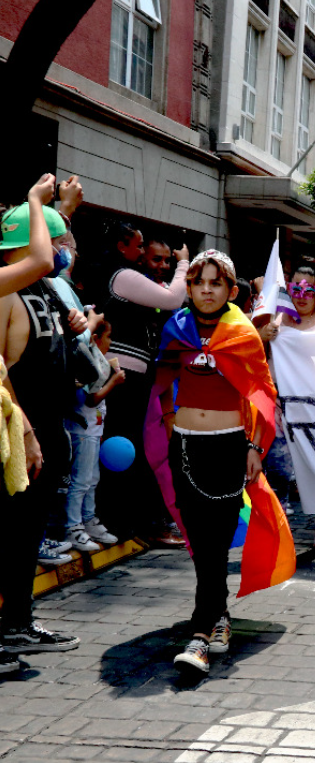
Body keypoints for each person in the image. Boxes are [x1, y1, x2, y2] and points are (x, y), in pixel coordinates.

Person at [150, 251, 277, 674]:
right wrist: (170, 421)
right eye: (199, 282)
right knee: (201, 541)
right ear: (188, 288)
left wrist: (255, 448)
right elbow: (163, 378)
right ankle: (218, 616)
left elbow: (264, 392)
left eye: (216, 283)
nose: (207, 289)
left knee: (216, 541)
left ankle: (201, 635)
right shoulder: (176, 328)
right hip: (185, 448)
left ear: (231, 290)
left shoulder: (242, 333)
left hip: (227, 448)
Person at [0, 176, 84, 676]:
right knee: (9, 533)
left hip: (47, 429)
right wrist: (26, 431)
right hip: (18, 436)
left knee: (26, 535)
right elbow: (2, 374)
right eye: (53, 242)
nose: (59, 252)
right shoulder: (8, 293)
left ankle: (18, 622)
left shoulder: (46, 291)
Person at [98, 227, 190, 547]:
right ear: (122, 247)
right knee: (121, 451)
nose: (156, 263)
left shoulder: (139, 282)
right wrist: (184, 264)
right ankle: (118, 521)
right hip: (122, 379)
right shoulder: (122, 276)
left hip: (140, 381)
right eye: (142, 250)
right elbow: (173, 298)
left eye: (168, 260)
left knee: (137, 452)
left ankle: (130, 522)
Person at [258, 266, 315, 549]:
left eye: (309, 289)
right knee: (279, 469)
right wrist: (263, 335)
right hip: (282, 408)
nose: (302, 295)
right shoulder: (277, 321)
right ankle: (279, 522)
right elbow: (250, 352)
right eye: (296, 288)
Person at [63, 315, 124, 552]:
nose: (111, 343)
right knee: (81, 481)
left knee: (92, 479)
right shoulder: (86, 361)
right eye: (109, 337)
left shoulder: (100, 360)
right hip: (82, 429)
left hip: (93, 429)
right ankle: (73, 527)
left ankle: (89, 520)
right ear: (96, 338)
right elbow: (90, 400)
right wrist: (114, 382)